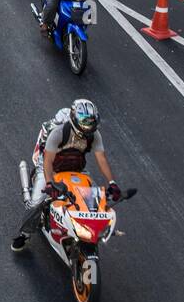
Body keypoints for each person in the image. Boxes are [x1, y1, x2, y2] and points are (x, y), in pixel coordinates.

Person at [13, 99, 120, 251]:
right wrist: (49, 183)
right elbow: (48, 161)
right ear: (75, 119)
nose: (87, 126)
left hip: (76, 170)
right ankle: (25, 234)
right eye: (84, 122)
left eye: (91, 122)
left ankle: (83, 230)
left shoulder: (94, 135)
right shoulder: (59, 132)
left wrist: (112, 183)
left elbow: (101, 159)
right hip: (51, 169)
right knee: (36, 203)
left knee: (95, 202)